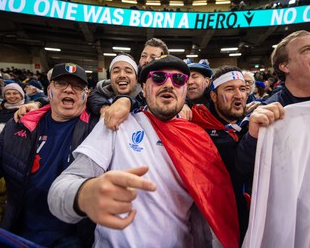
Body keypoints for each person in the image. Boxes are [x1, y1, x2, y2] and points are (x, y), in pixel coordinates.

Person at [48, 55, 254, 248]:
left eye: (179, 80)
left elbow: (207, 217)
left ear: (184, 91)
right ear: (143, 90)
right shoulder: (116, 124)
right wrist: (84, 194)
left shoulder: (199, 139)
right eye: (158, 77)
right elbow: (59, 191)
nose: (168, 84)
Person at [0, 63, 98, 247]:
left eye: (77, 86)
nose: (69, 90)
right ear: (49, 91)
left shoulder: (98, 128)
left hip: (73, 235)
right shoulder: (20, 125)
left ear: (85, 94)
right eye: (61, 83)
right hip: (21, 230)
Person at [190, 66, 284, 243]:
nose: (238, 95)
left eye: (242, 89)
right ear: (213, 96)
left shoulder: (253, 122)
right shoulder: (197, 127)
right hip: (215, 228)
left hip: (255, 221)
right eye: (229, 89)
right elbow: (237, 167)